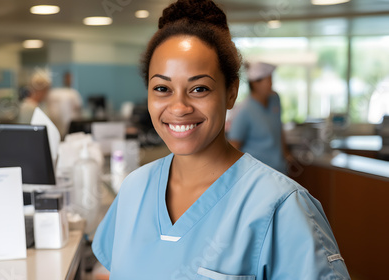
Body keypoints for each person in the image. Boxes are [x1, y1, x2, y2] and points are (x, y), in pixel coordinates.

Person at [91, 0, 350, 279]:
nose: (178, 107)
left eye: (199, 88)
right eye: (162, 88)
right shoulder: (134, 190)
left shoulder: (281, 207)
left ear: (231, 92)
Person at [228, 62, 292, 174]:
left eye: (271, 79)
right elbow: (234, 145)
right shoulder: (244, 110)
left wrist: (286, 154)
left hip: (279, 170)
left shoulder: (274, 99)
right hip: (257, 174)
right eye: (268, 80)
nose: (271, 84)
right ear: (255, 83)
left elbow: (278, 128)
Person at [45, 72, 82, 137]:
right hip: (57, 125)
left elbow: (78, 107)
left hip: (70, 126)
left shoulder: (73, 93)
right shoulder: (55, 93)